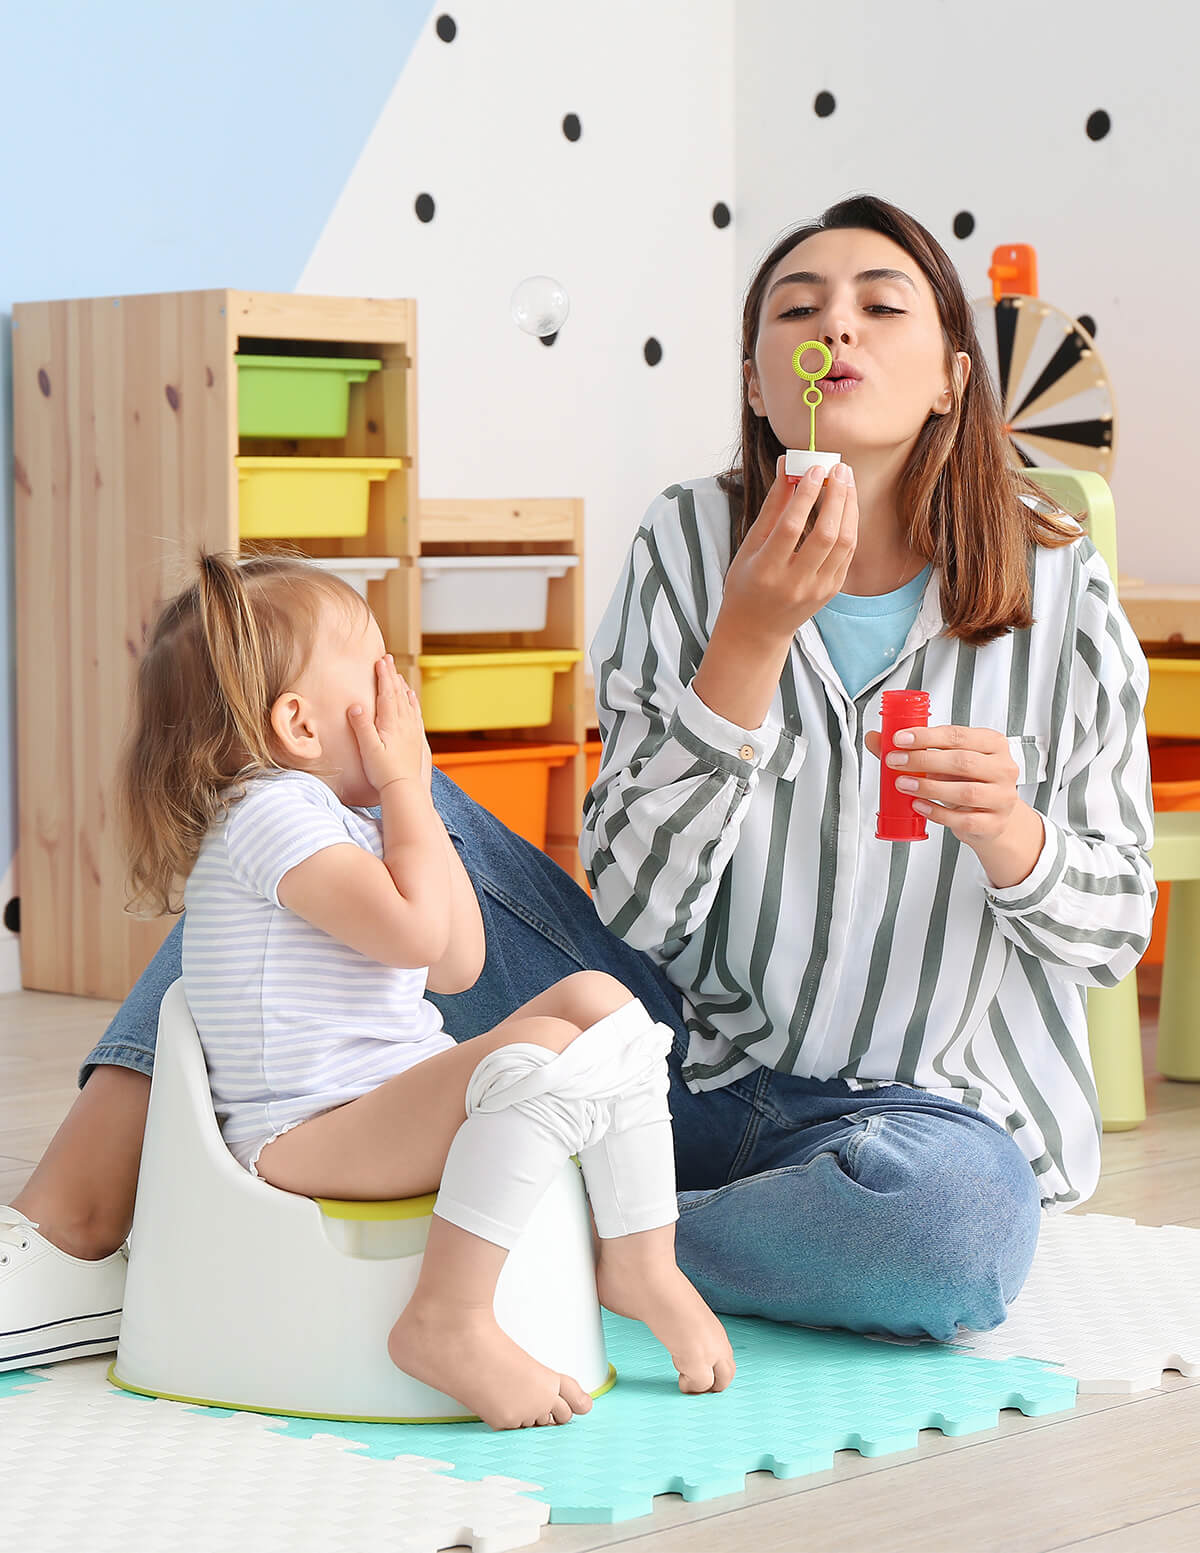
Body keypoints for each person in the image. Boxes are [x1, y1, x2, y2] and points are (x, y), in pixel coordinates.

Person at [2, 194, 1154, 1379]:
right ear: (762, 383)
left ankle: (547, 1221)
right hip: (663, 1042)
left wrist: (1017, 835)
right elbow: (640, 914)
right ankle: (72, 1212)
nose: (837, 330)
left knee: (952, 1233)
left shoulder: (1057, 583)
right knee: (311, 795)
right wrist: (743, 650)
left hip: (915, 1120)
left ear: (954, 377)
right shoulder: (689, 545)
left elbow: (1116, 930)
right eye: (798, 310)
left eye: (880, 303)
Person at [21, 552, 736, 1429]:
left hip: (373, 1103)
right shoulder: (267, 813)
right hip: (304, 1131)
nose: (400, 687)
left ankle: (640, 1260)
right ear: (299, 724)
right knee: (542, 1057)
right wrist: (404, 784)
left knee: (595, 1000)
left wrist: (410, 801)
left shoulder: (340, 818)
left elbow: (456, 962)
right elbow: (416, 933)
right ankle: (449, 1316)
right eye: (375, 666)